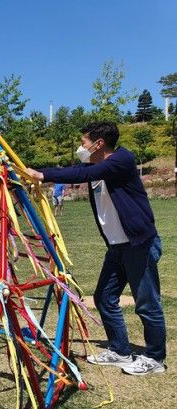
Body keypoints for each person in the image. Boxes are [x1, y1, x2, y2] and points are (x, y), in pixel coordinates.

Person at [26, 122, 166, 375]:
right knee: (104, 297)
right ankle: (120, 350)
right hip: (116, 246)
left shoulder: (121, 159)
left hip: (138, 244)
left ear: (99, 144)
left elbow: (82, 175)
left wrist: (42, 176)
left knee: (147, 302)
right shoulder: (93, 166)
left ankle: (155, 358)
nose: (82, 147)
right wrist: (35, 171)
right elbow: (76, 170)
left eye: (84, 142)